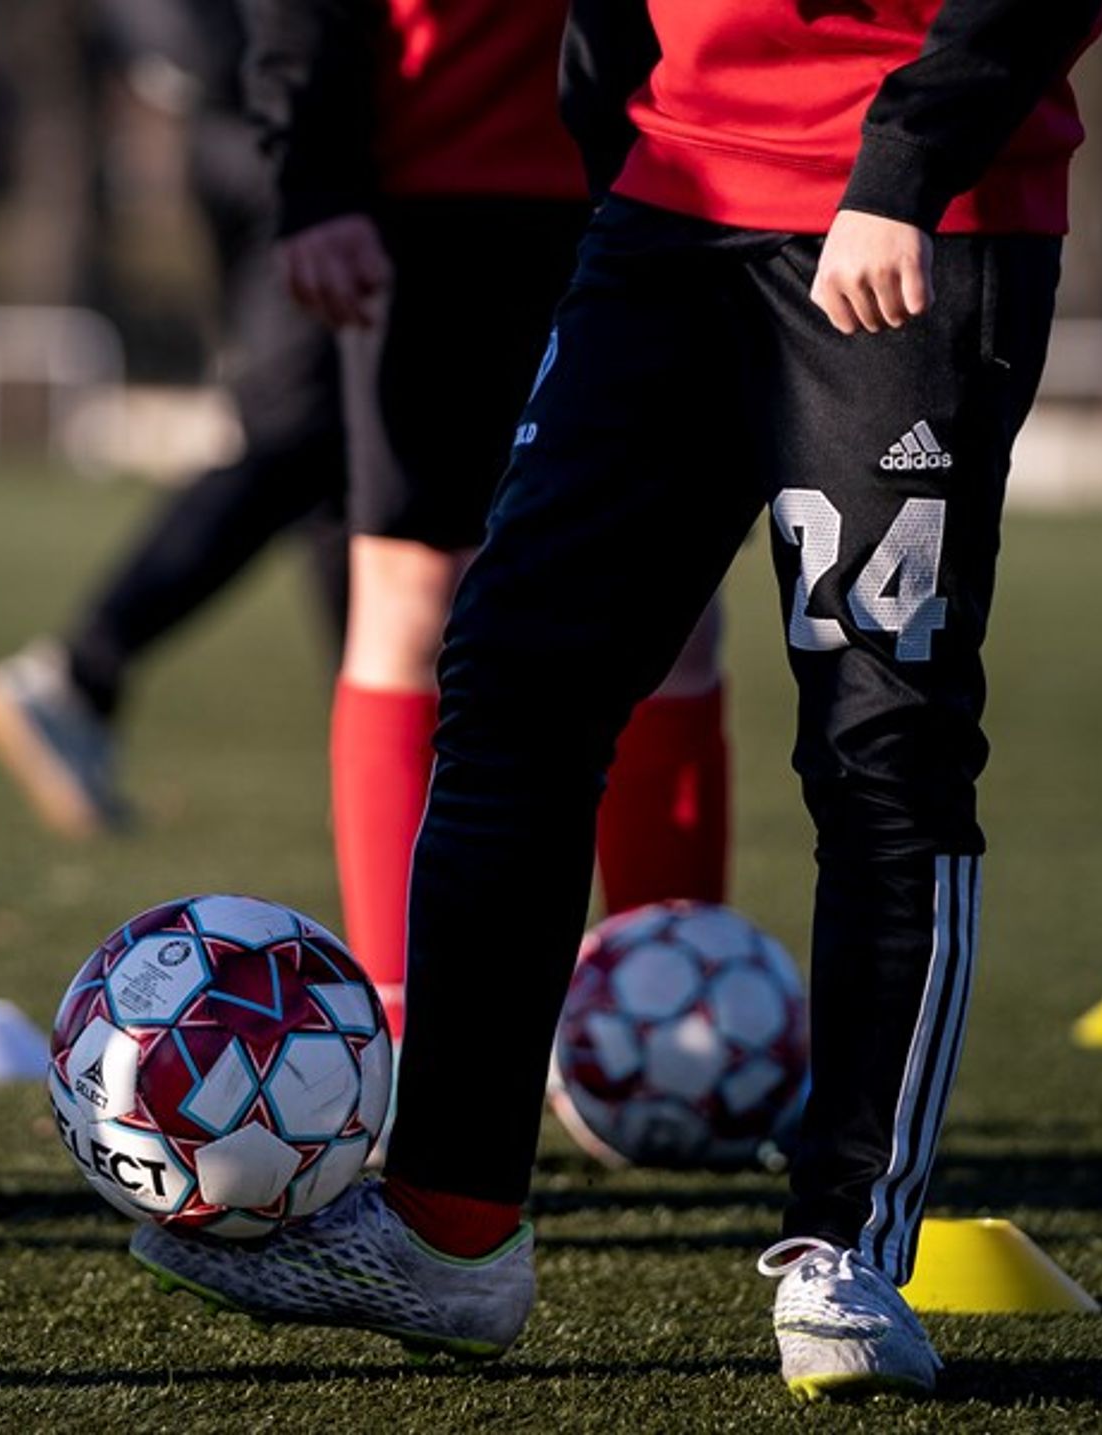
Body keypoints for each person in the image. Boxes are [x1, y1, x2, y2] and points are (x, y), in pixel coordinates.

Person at [129, 0, 1101, 1401]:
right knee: (513, 679)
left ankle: (845, 1242)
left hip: (905, 223)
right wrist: (620, 142)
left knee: (881, 736)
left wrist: (907, 162)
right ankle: (447, 1225)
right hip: (663, 211)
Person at [243, 0, 732, 1038]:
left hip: (670, 174)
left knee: (675, 607)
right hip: (432, 194)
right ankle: (404, 1024)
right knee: (415, 593)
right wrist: (314, 175)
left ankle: (679, 1019)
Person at [0, 0, 350, 840]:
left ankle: (387, 750)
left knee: (343, 465)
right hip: (285, 140)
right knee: (303, 434)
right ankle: (81, 670)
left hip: (269, 131)